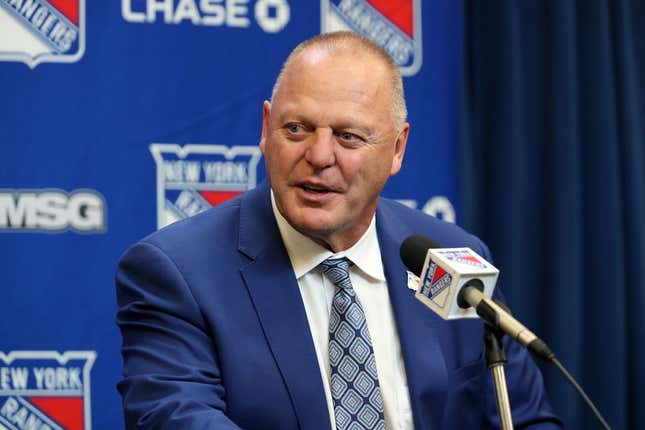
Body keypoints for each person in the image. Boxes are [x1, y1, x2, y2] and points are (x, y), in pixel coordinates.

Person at [116, 31, 561, 429]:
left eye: (348, 136)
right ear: (266, 129)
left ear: (397, 149)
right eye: (297, 128)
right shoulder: (178, 272)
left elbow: (522, 418)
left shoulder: (450, 256)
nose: (319, 155)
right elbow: (174, 417)